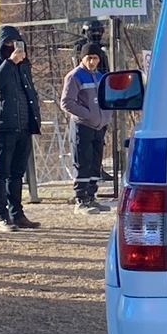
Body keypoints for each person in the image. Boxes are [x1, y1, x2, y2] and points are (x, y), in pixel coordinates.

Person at [0, 26, 42, 232]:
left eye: (16, 42)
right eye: (8, 43)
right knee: (1, 172)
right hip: (2, 125)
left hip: (24, 125)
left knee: (17, 173)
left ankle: (17, 213)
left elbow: (29, 93)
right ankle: (1, 216)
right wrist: (10, 63)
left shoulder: (24, 65)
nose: (13, 47)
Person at [59, 45, 112, 214]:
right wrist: (87, 114)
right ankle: (80, 199)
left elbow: (107, 99)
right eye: (89, 58)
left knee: (95, 162)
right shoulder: (75, 76)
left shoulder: (100, 77)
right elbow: (67, 102)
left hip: (99, 126)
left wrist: (106, 116)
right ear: (82, 58)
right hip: (83, 125)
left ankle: (91, 196)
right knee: (83, 161)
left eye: (95, 58)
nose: (92, 61)